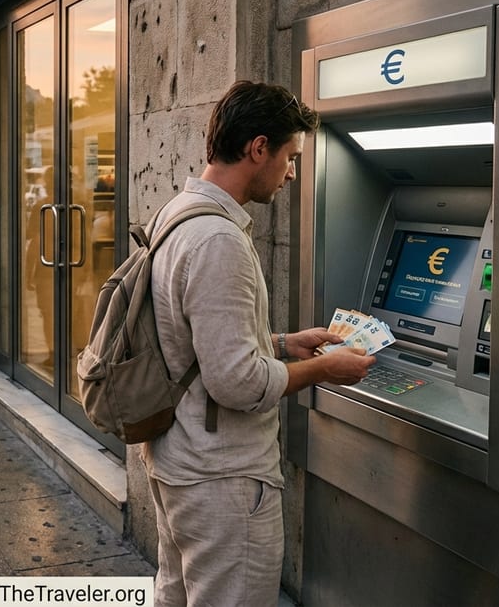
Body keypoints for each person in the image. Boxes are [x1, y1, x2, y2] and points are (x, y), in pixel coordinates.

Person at [144, 81, 376, 606]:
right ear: (258, 148)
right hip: (220, 478)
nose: (292, 173)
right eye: (290, 157)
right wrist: (324, 370)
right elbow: (236, 382)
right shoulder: (220, 240)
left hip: (179, 461)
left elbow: (192, 339)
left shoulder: (176, 214)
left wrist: (280, 341)